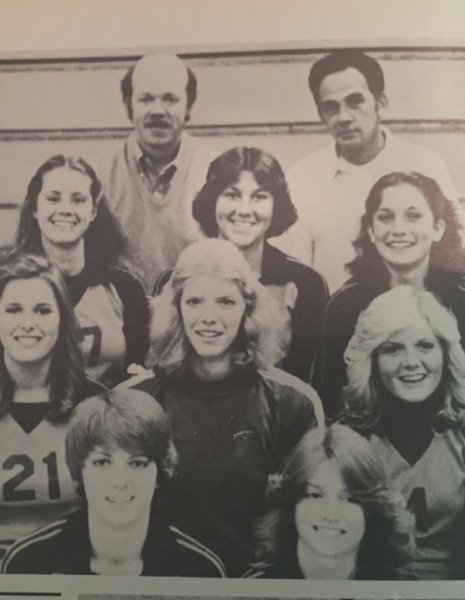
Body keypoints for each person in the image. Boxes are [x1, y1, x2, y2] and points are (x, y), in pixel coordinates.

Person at [123, 238, 323, 576]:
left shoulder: (293, 402)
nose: (209, 318)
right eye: (195, 301)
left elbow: (307, 517)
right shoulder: (137, 399)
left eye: (226, 302)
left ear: (248, 310)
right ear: (176, 309)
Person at [270, 49, 460, 293]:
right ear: (320, 114)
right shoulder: (303, 176)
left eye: (355, 101)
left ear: (381, 102)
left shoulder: (424, 164)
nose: (344, 117)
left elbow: (453, 253)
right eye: (331, 107)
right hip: (330, 322)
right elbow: (292, 269)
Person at [2, 388, 227, 576]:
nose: (120, 482)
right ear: (79, 470)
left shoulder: (201, 568)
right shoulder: (28, 561)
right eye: (102, 463)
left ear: (159, 472)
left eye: (137, 463)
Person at [341, 285, 465, 580]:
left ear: (446, 354)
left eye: (425, 345)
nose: (411, 361)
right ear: (371, 359)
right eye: (393, 348)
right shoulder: (346, 438)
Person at [321, 171, 465, 416]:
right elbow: (331, 399)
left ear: (438, 228)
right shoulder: (344, 305)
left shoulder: (461, 299)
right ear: (371, 231)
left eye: (413, 216)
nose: (399, 229)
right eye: (386, 218)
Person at [184, 146, 326, 383]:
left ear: (276, 206)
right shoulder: (180, 277)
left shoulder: (305, 283)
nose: (244, 210)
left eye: (259, 197)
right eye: (232, 195)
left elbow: (308, 380)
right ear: (212, 202)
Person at [16, 155, 150, 387]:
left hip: (103, 418)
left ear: (93, 211)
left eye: (78, 200)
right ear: (35, 209)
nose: (66, 209)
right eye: (53, 199)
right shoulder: (9, 283)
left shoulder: (125, 288)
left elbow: (138, 369)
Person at [0, 253, 100, 555]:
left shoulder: (96, 406)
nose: (28, 324)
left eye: (43, 311)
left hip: (70, 568)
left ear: (63, 320)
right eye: (13, 310)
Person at [97, 53, 218, 292]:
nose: (157, 111)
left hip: (194, 317)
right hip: (121, 318)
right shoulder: (98, 175)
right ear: (128, 106)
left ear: (188, 107)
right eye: (145, 99)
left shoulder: (215, 171)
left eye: (170, 99)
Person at [247, 424, 412, 580]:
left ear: (372, 510)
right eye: (316, 495)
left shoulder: (400, 591)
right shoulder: (253, 591)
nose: (331, 514)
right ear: (291, 503)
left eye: (348, 499)